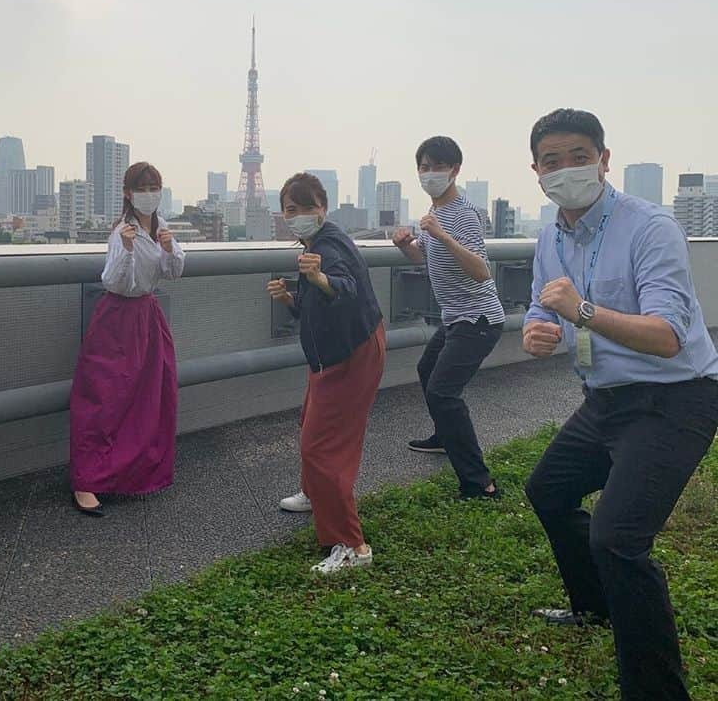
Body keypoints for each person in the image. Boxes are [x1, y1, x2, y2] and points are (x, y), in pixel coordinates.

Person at [522, 108, 718, 700]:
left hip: (675, 400)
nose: (566, 171)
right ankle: (597, 606)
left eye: (578, 157)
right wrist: (537, 327)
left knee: (618, 538)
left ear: (604, 160)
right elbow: (541, 302)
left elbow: (666, 336)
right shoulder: (550, 233)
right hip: (603, 400)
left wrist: (580, 312)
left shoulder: (649, 227)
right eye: (551, 162)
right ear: (535, 171)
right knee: (548, 491)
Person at [269, 173, 385, 573]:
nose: (298, 216)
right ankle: (313, 493)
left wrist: (320, 279)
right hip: (334, 353)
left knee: (322, 447)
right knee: (311, 426)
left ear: (323, 208)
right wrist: (291, 297)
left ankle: (351, 545)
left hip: (349, 355)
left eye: (307, 207)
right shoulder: (315, 243)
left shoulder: (329, 246)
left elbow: (344, 287)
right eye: (291, 209)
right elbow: (318, 303)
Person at [391, 136, 504, 499]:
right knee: (427, 372)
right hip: (456, 318)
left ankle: (479, 482)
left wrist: (442, 235)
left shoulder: (464, 214)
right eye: (423, 167)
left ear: (455, 170)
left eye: (437, 167)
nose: (429, 174)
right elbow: (422, 257)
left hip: (479, 320)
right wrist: (405, 244)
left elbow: (481, 271)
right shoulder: (433, 213)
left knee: (443, 393)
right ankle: (444, 437)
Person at [69, 162, 184, 516]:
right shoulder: (122, 231)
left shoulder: (162, 227)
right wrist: (128, 248)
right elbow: (114, 280)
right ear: (128, 193)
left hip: (148, 317)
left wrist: (168, 248)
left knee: (151, 397)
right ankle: (86, 481)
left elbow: (174, 271)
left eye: (155, 185)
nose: (149, 193)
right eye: (142, 186)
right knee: (104, 398)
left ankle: (134, 474)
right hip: (117, 318)